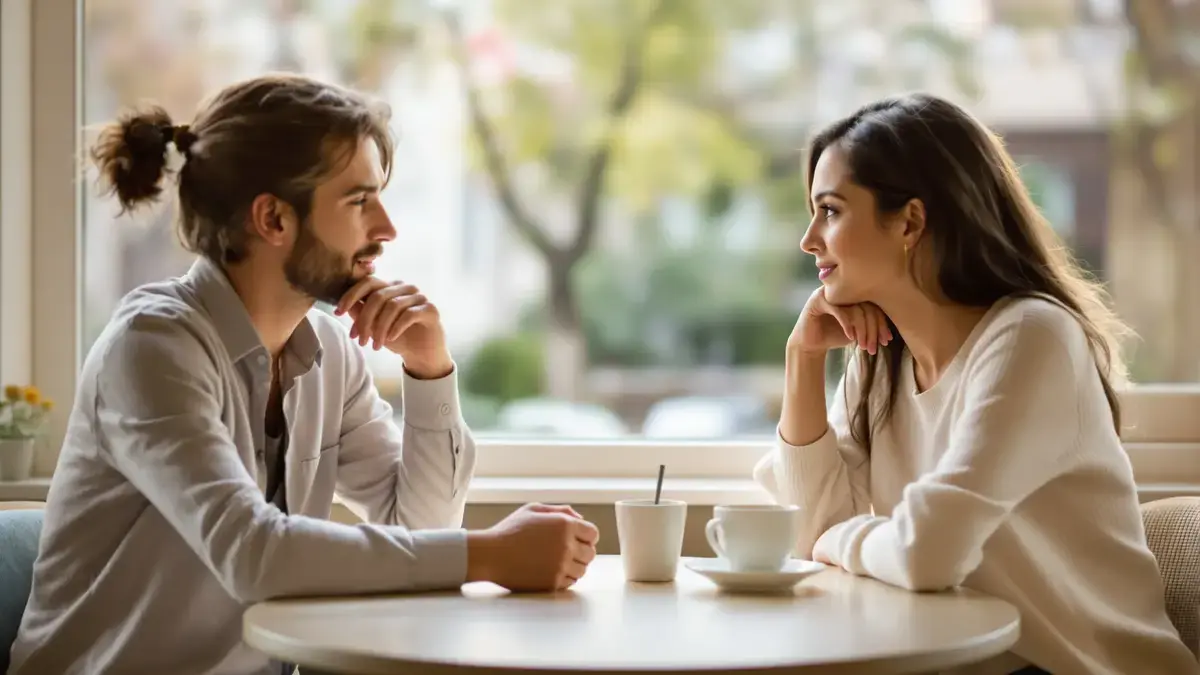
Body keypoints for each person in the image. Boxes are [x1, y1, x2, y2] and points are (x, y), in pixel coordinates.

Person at [9, 73, 600, 675]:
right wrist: (491, 556)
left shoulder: (327, 353)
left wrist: (430, 371)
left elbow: (417, 525)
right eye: (359, 201)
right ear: (272, 219)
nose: (387, 229)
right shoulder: (153, 347)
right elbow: (253, 552)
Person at [753, 93, 1197, 675]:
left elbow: (927, 553)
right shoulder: (880, 356)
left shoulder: (1031, 338)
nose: (809, 240)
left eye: (831, 211)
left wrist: (839, 540)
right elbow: (806, 530)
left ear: (910, 221)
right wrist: (802, 358)